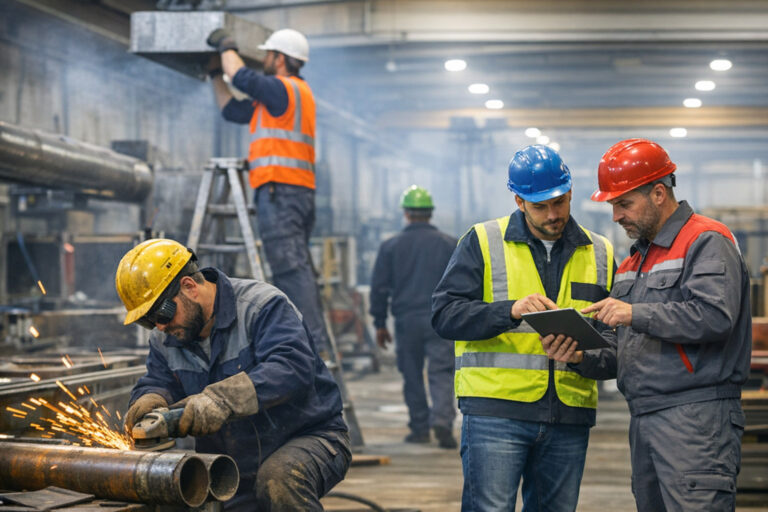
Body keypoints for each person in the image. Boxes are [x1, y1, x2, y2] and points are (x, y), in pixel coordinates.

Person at [542, 138, 751, 511]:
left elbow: (715, 317)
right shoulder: (632, 263)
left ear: (658, 193)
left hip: (696, 417)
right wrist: (579, 356)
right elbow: (622, 353)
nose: (616, 216)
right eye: (613, 206)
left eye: (624, 204)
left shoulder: (705, 240)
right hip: (644, 417)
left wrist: (634, 313)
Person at [431, 145, 615, 511]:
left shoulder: (600, 251)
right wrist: (510, 311)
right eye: (540, 206)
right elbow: (445, 315)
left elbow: (616, 342)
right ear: (519, 201)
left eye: (559, 202)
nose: (553, 214)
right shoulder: (483, 241)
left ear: (571, 192)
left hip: (569, 415)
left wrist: (583, 357)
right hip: (495, 413)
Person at [116, 238, 350, 511]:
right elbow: (159, 381)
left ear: (189, 287)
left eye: (163, 313)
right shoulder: (165, 340)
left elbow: (292, 366)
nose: (159, 326)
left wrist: (222, 400)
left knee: (279, 480)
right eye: (148, 321)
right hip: (236, 460)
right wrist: (150, 398)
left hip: (309, 437)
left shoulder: (261, 306)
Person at [205, 27, 331, 353]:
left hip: (282, 193)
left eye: (268, 54)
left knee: (290, 272)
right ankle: (310, 343)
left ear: (280, 58)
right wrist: (215, 75)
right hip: (290, 193)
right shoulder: (278, 101)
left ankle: (309, 349)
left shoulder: (283, 89)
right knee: (295, 271)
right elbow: (231, 109)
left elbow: (240, 76)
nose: (264, 60)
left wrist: (226, 45)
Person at [369, 185, 458, 449]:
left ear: (406, 213)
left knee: (412, 375)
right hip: (441, 320)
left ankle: (419, 429)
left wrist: (380, 323)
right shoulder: (450, 244)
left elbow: (379, 288)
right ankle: (443, 422)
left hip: (406, 321)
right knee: (441, 372)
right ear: (430, 213)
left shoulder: (390, 246)